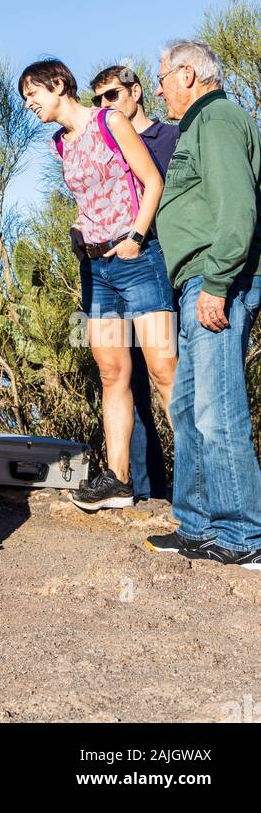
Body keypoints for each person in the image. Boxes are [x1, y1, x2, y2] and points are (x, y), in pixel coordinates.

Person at [19, 58, 176, 511]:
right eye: (26, 98)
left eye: (34, 93)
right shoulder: (59, 144)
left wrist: (136, 236)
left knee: (165, 372)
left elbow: (151, 180)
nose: (30, 103)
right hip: (96, 272)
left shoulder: (109, 121)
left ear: (59, 84)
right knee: (112, 373)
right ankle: (118, 480)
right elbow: (89, 199)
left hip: (139, 260)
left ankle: (200, 483)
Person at [146, 41, 261, 568]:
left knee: (218, 408)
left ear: (188, 74)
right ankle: (196, 526)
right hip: (197, 281)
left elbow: (238, 207)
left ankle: (243, 534)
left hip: (217, 281)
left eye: (163, 76)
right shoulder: (199, 123)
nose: (159, 88)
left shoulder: (215, 119)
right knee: (189, 406)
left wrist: (216, 280)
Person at [90, 64, 180, 500]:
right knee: (122, 379)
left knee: (168, 373)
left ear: (135, 92)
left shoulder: (172, 138)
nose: (105, 107)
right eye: (98, 100)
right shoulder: (101, 140)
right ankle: (142, 490)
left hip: (159, 267)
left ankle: (198, 484)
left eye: (111, 96)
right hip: (108, 274)